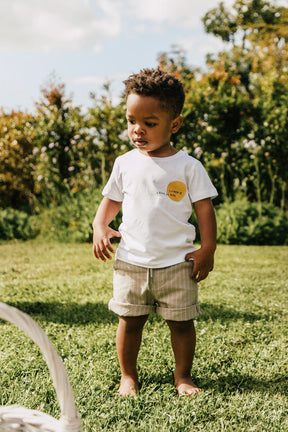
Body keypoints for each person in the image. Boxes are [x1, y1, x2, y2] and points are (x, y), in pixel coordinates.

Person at [92, 68, 217, 397]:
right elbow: (110, 202)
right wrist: (99, 226)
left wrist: (208, 249)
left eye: (149, 123)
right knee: (130, 322)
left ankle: (183, 378)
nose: (138, 130)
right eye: (131, 120)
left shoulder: (188, 167)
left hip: (177, 263)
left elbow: (205, 209)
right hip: (132, 261)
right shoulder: (125, 163)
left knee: (181, 323)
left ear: (174, 124)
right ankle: (128, 376)